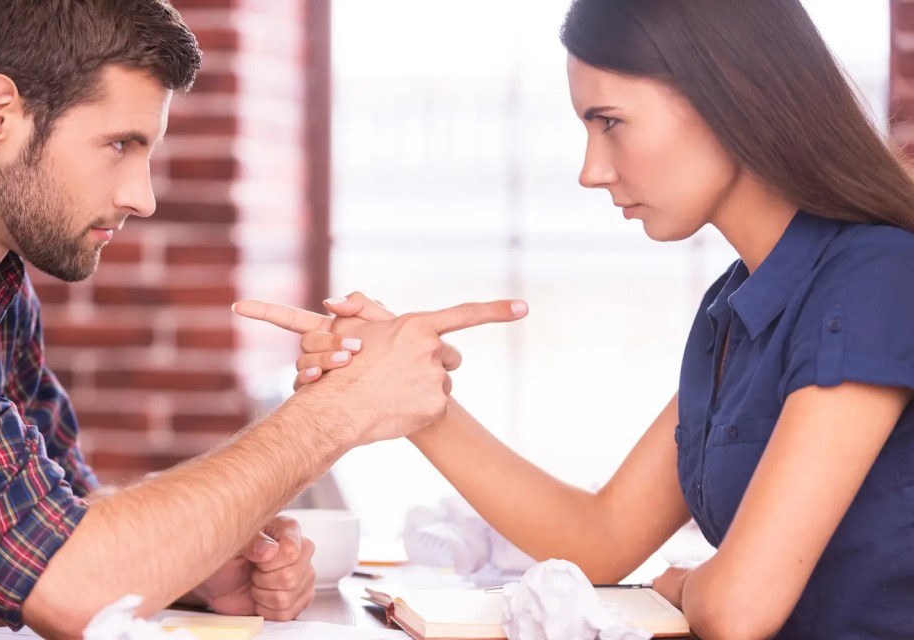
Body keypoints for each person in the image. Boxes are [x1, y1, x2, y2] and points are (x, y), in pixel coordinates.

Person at [233, 0, 914, 637]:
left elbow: (740, 607)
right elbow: (601, 540)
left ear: (729, 93)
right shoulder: (731, 308)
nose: (591, 170)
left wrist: (683, 586)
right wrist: (419, 402)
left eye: (609, 121)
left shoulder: (877, 274)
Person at [0, 1, 528, 638]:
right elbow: (66, 582)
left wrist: (188, 564)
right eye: (119, 144)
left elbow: (37, 531)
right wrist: (342, 409)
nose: (141, 196)